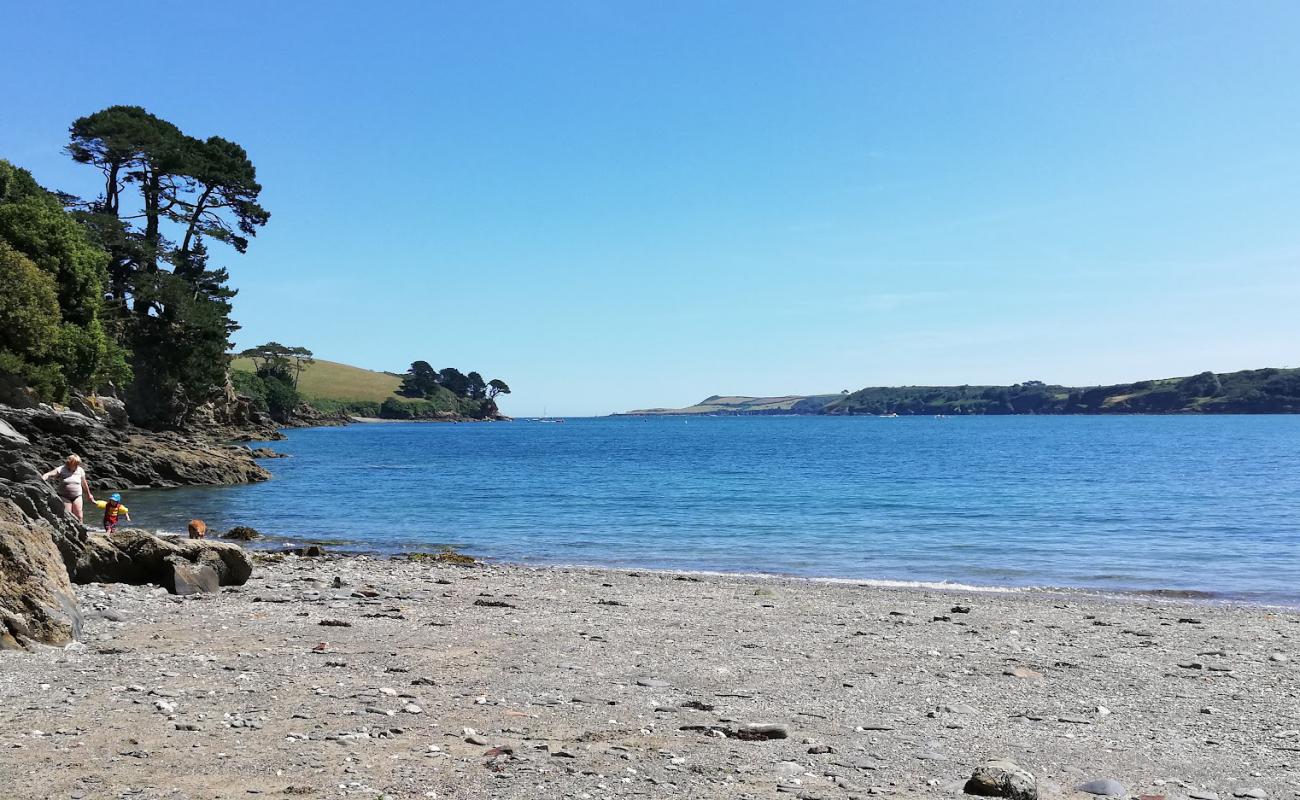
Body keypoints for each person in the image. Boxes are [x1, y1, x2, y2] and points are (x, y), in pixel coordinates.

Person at [41, 455, 94, 522]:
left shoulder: (80, 470)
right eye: (75, 464)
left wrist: (89, 495)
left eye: (78, 464)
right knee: (68, 516)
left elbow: (84, 483)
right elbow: (49, 474)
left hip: (77, 496)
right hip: (64, 497)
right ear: (69, 463)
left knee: (79, 516)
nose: (77, 466)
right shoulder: (61, 469)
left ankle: (81, 530)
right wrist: (43, 478)